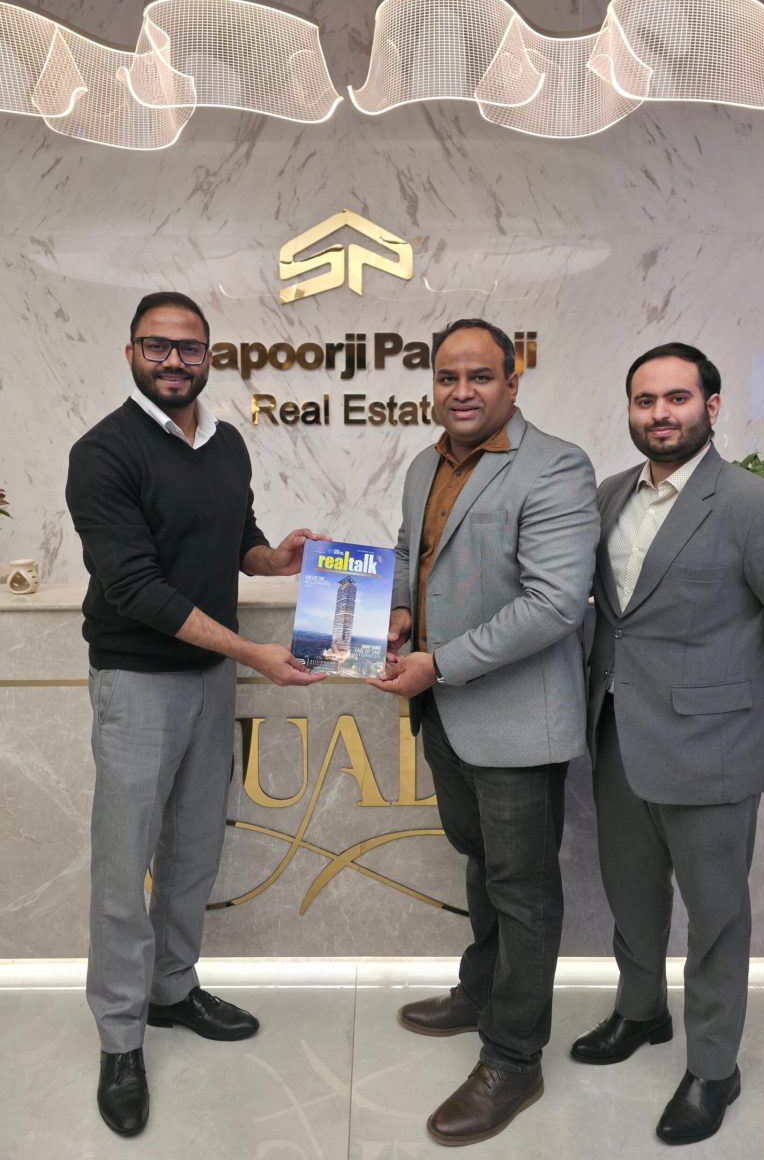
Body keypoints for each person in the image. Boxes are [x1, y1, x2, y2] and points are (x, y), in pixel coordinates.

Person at [65, 291, 326, 1138]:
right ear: (131, 353)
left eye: (189, 348)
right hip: (138, 679)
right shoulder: (102, 453)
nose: (174, 361)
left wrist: (274, 559)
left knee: (193, 848)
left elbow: (234, 537)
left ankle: (173, 989)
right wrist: (252, 652)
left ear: (210, 356)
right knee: (124, 863)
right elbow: (135, 587)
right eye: (157, 346)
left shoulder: (225, 443)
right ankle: (120, 1036)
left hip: (210, 677)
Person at [570, 343, 764, 1145]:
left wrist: (726, 679)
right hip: (617, 732)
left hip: (713, 743)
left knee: (715, 913)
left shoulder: (758, 506)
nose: (659, 414)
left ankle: (713, 1067)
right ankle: (640, 1012)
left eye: (676, 398)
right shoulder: (608, 495)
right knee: (630, 893)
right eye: (644, 400)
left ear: (711, 406)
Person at [368, 318, 599, 1146]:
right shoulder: (423, 464)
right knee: (481, 863)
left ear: (511, 382)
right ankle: (482, 990)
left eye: (479, 376)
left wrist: (437, 662)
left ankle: (513, 1057)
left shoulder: (556, 465)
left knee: (524, 892)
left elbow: (553, 604)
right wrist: (400, 611)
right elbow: (412, 551)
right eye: (446, 377)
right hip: (446, 715)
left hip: (515, 719)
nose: (460, 391)